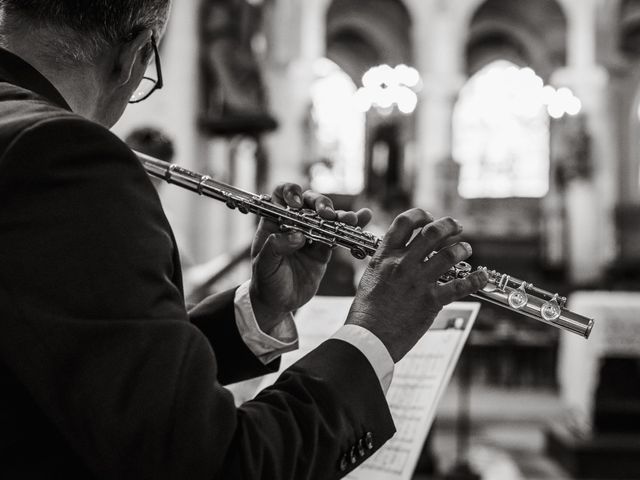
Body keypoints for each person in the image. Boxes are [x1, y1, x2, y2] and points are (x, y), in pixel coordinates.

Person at [0, 1, 488, 479]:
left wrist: (258, 309)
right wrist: (374, 332)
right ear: (137, 56)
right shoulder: (64, 155)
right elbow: (210, 462)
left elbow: (96, 365)